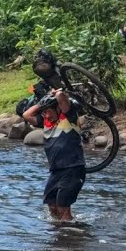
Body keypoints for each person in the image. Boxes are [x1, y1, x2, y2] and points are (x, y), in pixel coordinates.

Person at [33, 90, 86, 222]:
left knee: (63, 207)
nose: (46, 115)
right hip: (56, 170)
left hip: (72, 168)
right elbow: (26, 114)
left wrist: (56, 93)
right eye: (43, 113)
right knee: (52, 206)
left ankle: (69, 237)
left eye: (48, 111)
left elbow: (61, 98)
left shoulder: (69, 117)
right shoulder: (46, 123)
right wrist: (43, 104)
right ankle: (58, 235)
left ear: (57, 108)